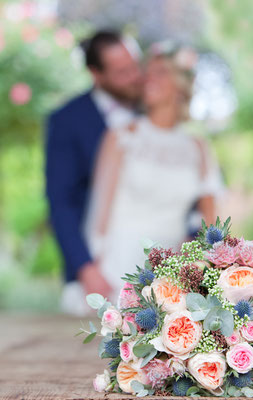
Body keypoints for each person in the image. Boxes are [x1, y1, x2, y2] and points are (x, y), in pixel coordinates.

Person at [75, 44, 224, 310]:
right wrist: (93, 269)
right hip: (118, 265)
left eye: (160, 72)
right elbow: (100, 211)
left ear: (180, 85)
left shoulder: (198, 147)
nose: (148, 78)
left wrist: (193, 265)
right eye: (148, 73)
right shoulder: (121, 136)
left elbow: (211, 224)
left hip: (170, 271)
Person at [45, 31, 142, 314]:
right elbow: (60, 202)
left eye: (135, 66)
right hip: (99, 266)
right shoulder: (67, 120)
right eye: (123, 72)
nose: (135, 76)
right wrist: (85, 269)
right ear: (95, 73)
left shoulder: (155, 111)